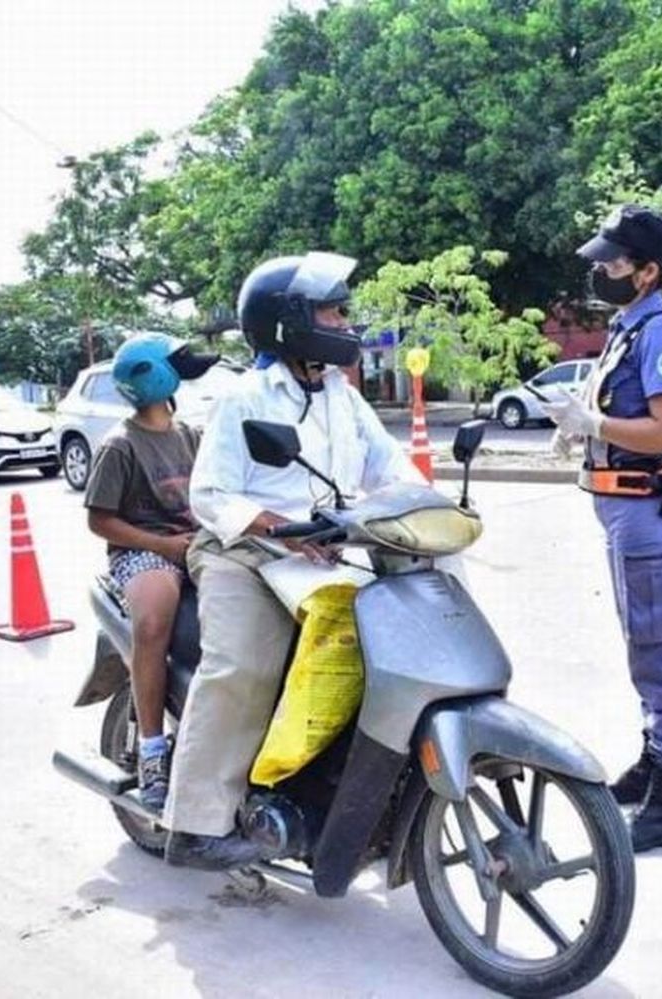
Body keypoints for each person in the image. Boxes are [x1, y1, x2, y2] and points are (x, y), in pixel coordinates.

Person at [163, 252, 423, 871]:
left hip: (325, 550)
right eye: (332, 311)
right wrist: (280, 528)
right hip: (243, 552)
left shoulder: (341, 397)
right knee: (244, 666)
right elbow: (211, 497)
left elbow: (390, 467)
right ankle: (194, 826)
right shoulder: (245, 397)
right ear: (290, 323)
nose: (344, 321)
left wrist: (424, 505)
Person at [542, 204, 662, 853]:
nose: (601, 270)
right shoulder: (629, 327)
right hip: (627, 510)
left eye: (612, 262)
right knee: (646, 644)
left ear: (647, 272)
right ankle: (654, 758)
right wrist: (577, 430)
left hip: (651, 513)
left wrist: (593, 426)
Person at [83, 332, 215, 809]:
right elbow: (100, 520)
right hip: (145, 550)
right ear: (152, 376)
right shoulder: (120, 446)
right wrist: (163, 545)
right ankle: (153, 750)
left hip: (198, 543)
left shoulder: (191, 436)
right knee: (154, 623)